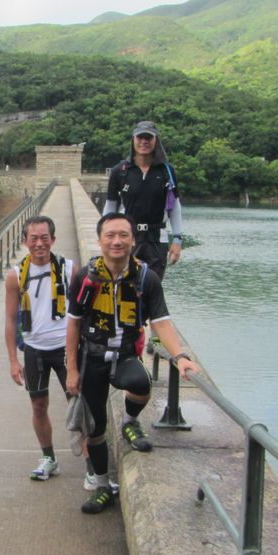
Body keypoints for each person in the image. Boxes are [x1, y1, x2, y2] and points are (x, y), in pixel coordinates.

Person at [66, 213, 199, 514]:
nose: (117, 241)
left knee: (141, 384)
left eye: (123, 235)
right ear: (100, 240)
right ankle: (103, 486)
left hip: (125, 353)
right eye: (110, 235)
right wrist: (72, 370)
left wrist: (180, 357)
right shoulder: (85, 277)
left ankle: (129, 421)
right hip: (92, 356)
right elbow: (72, 325)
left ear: (133, 240)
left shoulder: (145, 278)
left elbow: (160, 322)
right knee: (95, 426)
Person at [4, 215, 78, 481]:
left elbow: (83, 312)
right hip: (34, 348)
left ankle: (93, 465)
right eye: (33, 238)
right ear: (25, 241)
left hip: (65, 348)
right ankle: (49, 458)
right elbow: (10, 320)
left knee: (77, 404)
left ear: (53, 240)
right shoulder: (15, 276)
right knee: (38, 405)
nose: (39, 244)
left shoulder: (69, 269)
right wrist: (13, 360)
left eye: (44, 238)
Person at [103, 121, 183, 281]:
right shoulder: (120, 171)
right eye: (140, 137)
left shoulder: (166, 171)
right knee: (125, 286)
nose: (144, 142)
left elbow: (174, 206)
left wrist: (177, 239)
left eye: (148, 138)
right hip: (128, 238)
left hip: (157, 239)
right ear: (133, 140)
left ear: (156, 141)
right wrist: (105, 235)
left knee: (153, 286)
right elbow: (111, 205)